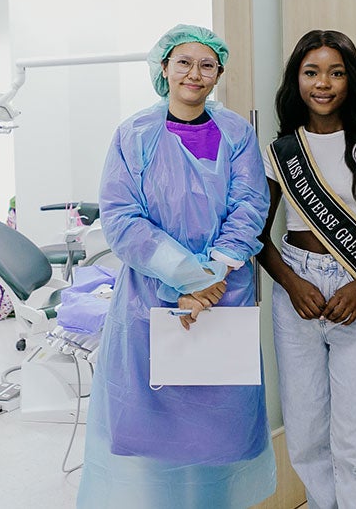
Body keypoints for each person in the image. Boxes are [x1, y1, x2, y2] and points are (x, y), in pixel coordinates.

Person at [76, 25, 276, 508]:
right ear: (163, 68)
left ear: (218, 74)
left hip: (223, 295)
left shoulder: (237, 134)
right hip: (152, 300)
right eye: (183, 62)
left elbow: (250, 204)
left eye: (206, 64)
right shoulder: (135, 135)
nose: (194, 73)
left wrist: (213, 275)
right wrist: (188, 278)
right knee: (153, 439)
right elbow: (122, 218)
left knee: (217, 440)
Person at [257, 29, 356, 508]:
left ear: (352, 80)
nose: (322, 83)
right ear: (296, 81)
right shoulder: (281, 150)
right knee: (306, 429)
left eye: (336, 72)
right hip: (297, 292)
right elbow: (257, 236)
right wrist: (291, 282)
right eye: (311, 72)